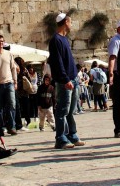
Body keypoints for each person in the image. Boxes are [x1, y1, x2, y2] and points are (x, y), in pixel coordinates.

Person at [47, 12, 86, 149]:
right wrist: (65, 79)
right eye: (70, 22)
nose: (71, 24)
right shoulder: (56, 40)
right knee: (62, 110)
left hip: (73, 79)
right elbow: (57, 62)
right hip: (65, 81)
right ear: (65, 23)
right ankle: (61, 138)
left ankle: (72, 135)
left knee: (70, 110)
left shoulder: (64, 39)